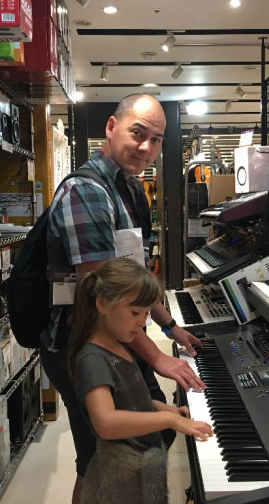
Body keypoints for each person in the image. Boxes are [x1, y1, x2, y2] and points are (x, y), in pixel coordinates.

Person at [41, 93, 205, 503]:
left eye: (156, 139)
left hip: (116, 335)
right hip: (82, 342)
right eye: (138, 133)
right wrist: (158, 357)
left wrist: (169, 326)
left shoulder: (128, 190)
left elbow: (131, 281)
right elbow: (108, 296)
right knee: (99, 455)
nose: (147, 147)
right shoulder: (88, 192)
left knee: (144, 437)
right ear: (111, 128)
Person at [70, 258, 212, 504]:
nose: (142, 322)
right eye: (135, 312)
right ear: (103, 304)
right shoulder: (93, 360)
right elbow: (105, 422)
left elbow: (129, 399)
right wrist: (167, 419)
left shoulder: (118, 344)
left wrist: (166, 409)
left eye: (146, 313)